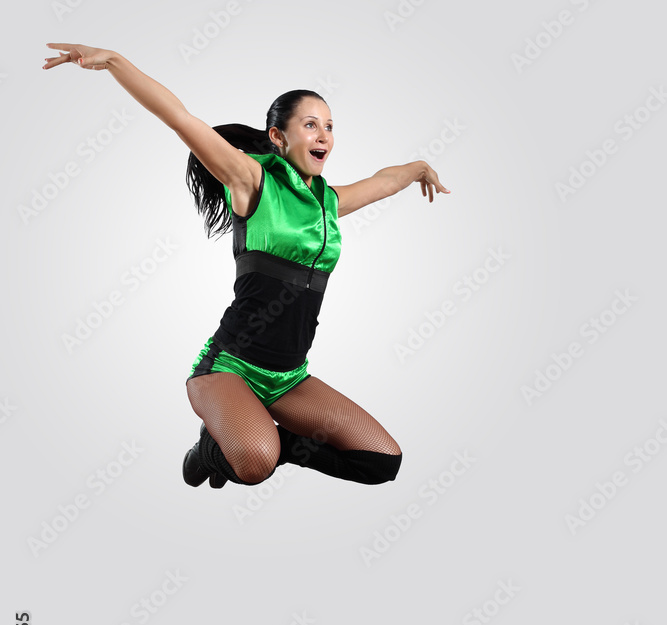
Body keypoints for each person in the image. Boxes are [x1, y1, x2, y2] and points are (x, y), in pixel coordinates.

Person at [43, 43, 450, 491]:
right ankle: (213, 448)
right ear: (278, 137)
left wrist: (419, 167)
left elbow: (382, 182)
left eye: (330, 127)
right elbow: (181, 118)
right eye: (310, 124)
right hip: (229, 368)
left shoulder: (328, 203)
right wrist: (115, 62)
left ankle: (277, 444)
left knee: (380, 462)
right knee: (255, 464)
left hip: (290, 376)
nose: (324, 136)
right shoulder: (249, 180)